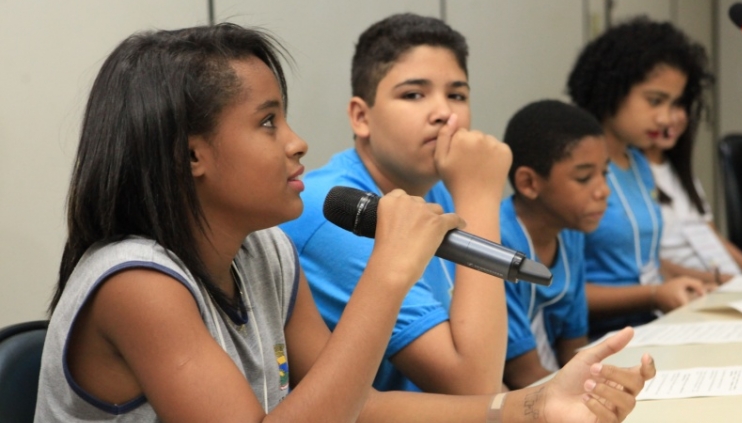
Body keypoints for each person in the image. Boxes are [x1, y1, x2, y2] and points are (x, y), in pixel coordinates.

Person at [35, 23, 655, 422]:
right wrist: (388, 272)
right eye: (268, 122)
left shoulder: (266, 253)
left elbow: (358, 405)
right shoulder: (136, 283)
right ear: (190, 153)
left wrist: (531, 404)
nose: (298, 142)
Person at [282, 13, 512, 394]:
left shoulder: (435, 188)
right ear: (361, 117)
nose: (444, 113)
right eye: (414, 95)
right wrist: (480, 197)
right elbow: (472, 386)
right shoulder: (333, 211)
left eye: (457, 95)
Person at [567, 18, 711, 340]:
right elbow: (562, 286)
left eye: (674, 103)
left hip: (652, 328)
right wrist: (654, 295)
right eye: (654, 100)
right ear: (612, 88)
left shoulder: (638, 162)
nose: (665, 117)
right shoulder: (575, 169)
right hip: (602, 340)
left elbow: (641, 258)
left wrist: (705, 280)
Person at [499, 100, 610, 389]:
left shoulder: (569, 232)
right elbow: (522, 376)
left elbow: (574, 353)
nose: (603, 190)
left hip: (551, 386)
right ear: (529, 183)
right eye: (584, 177)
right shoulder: (499, 242)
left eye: (605, 173)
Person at [642, 90, 742, 281]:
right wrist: (717, 279)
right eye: (657, 103)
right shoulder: (631, 174)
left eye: (680, 105)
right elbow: (648, 262)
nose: (674, 116)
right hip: (690, 288)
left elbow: (712, 236)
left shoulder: (676, 169)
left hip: (720, 281)